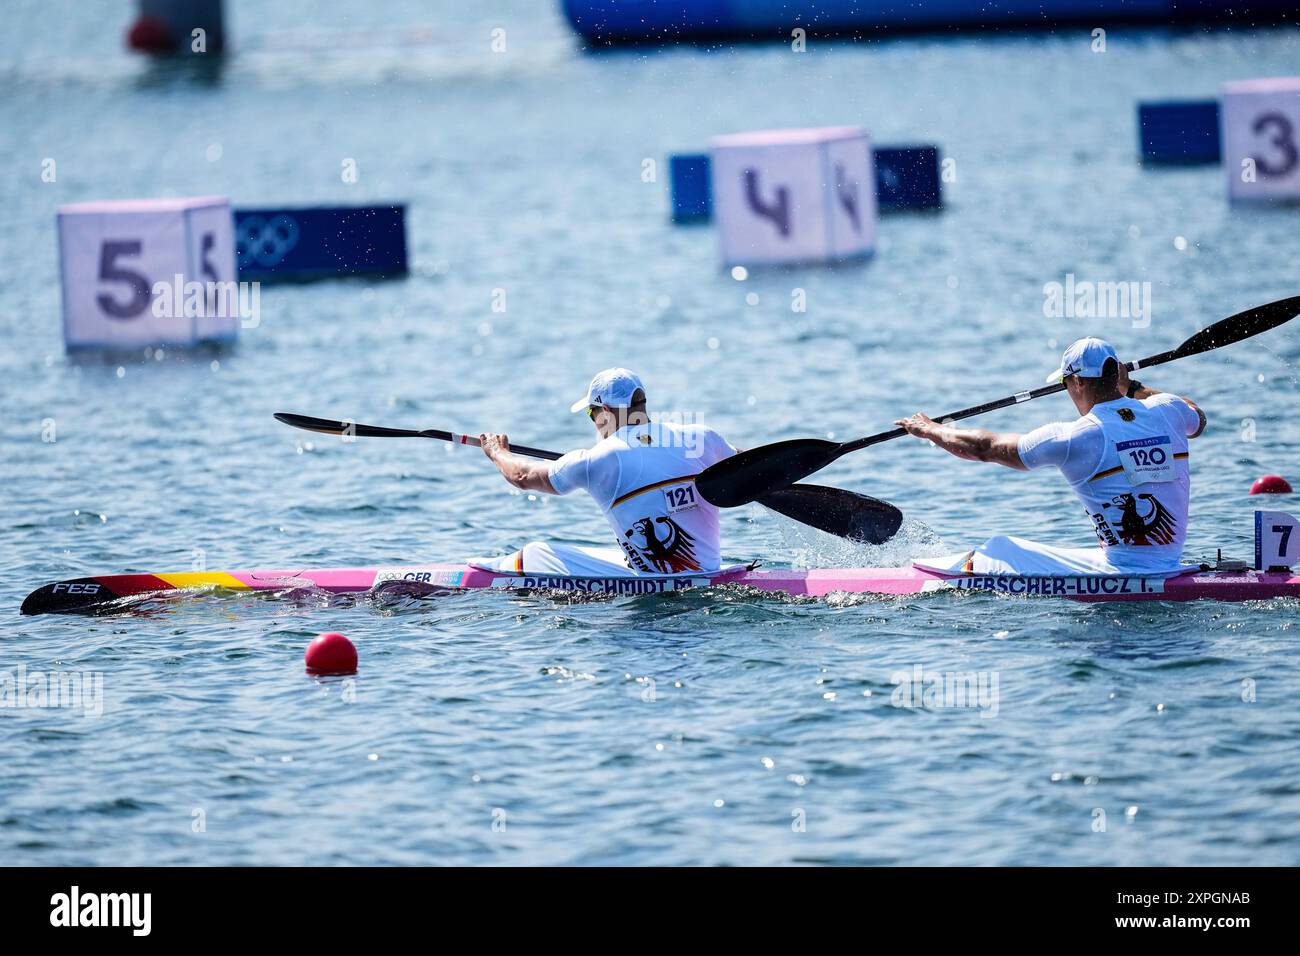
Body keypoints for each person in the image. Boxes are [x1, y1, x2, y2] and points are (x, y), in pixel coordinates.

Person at [894, 337, 1207, 575]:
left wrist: (931, 430)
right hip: (1169, 562)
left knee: (1000, 550)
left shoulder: (1075, 437)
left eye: (1065, 383)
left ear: (1078, 381)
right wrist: (1132, 386)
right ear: (1117, 376)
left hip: (1126, 569)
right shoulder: (1169, 409)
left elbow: (985, 448)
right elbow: (1198, 418)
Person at [473, 368, 739, 576]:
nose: (593, 421)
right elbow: (752, 467)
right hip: (711, 571)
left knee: (536, 553)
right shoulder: (701, 437)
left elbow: (521, 476)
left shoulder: (596, 459)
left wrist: (497, 452)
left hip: (658, 584)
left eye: (591, 412)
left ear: (607, 411)